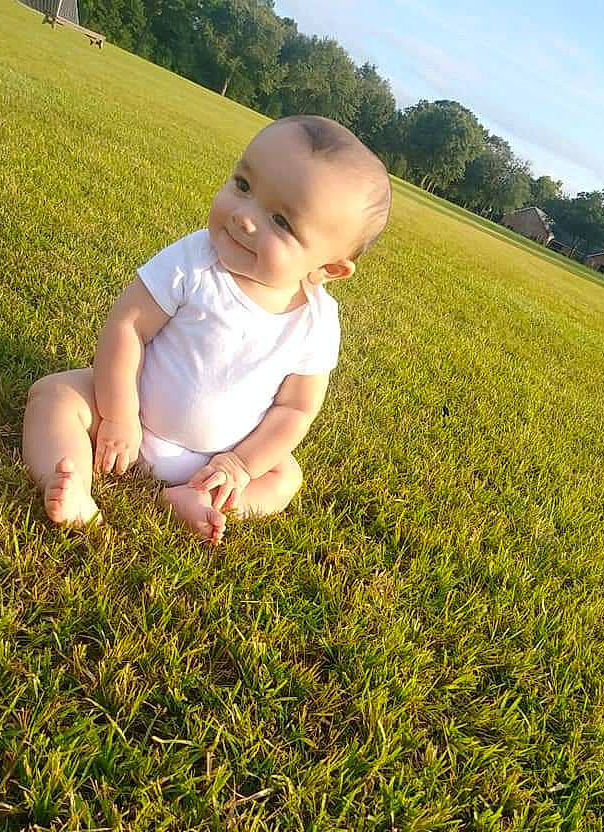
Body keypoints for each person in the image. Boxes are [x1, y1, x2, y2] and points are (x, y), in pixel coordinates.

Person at [22, 115, 391, 545]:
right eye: (244, 186)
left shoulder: (316, 323)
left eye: (281, 221)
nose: (245, 218)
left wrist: (240, 464)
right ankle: (71, 482)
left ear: (329, 268)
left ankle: (194, 497)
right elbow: (128, 326)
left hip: (215, 458)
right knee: (56, 396)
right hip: (130, 418)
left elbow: (296, 410)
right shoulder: (196, 259)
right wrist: (120, 414)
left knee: (285, 476)